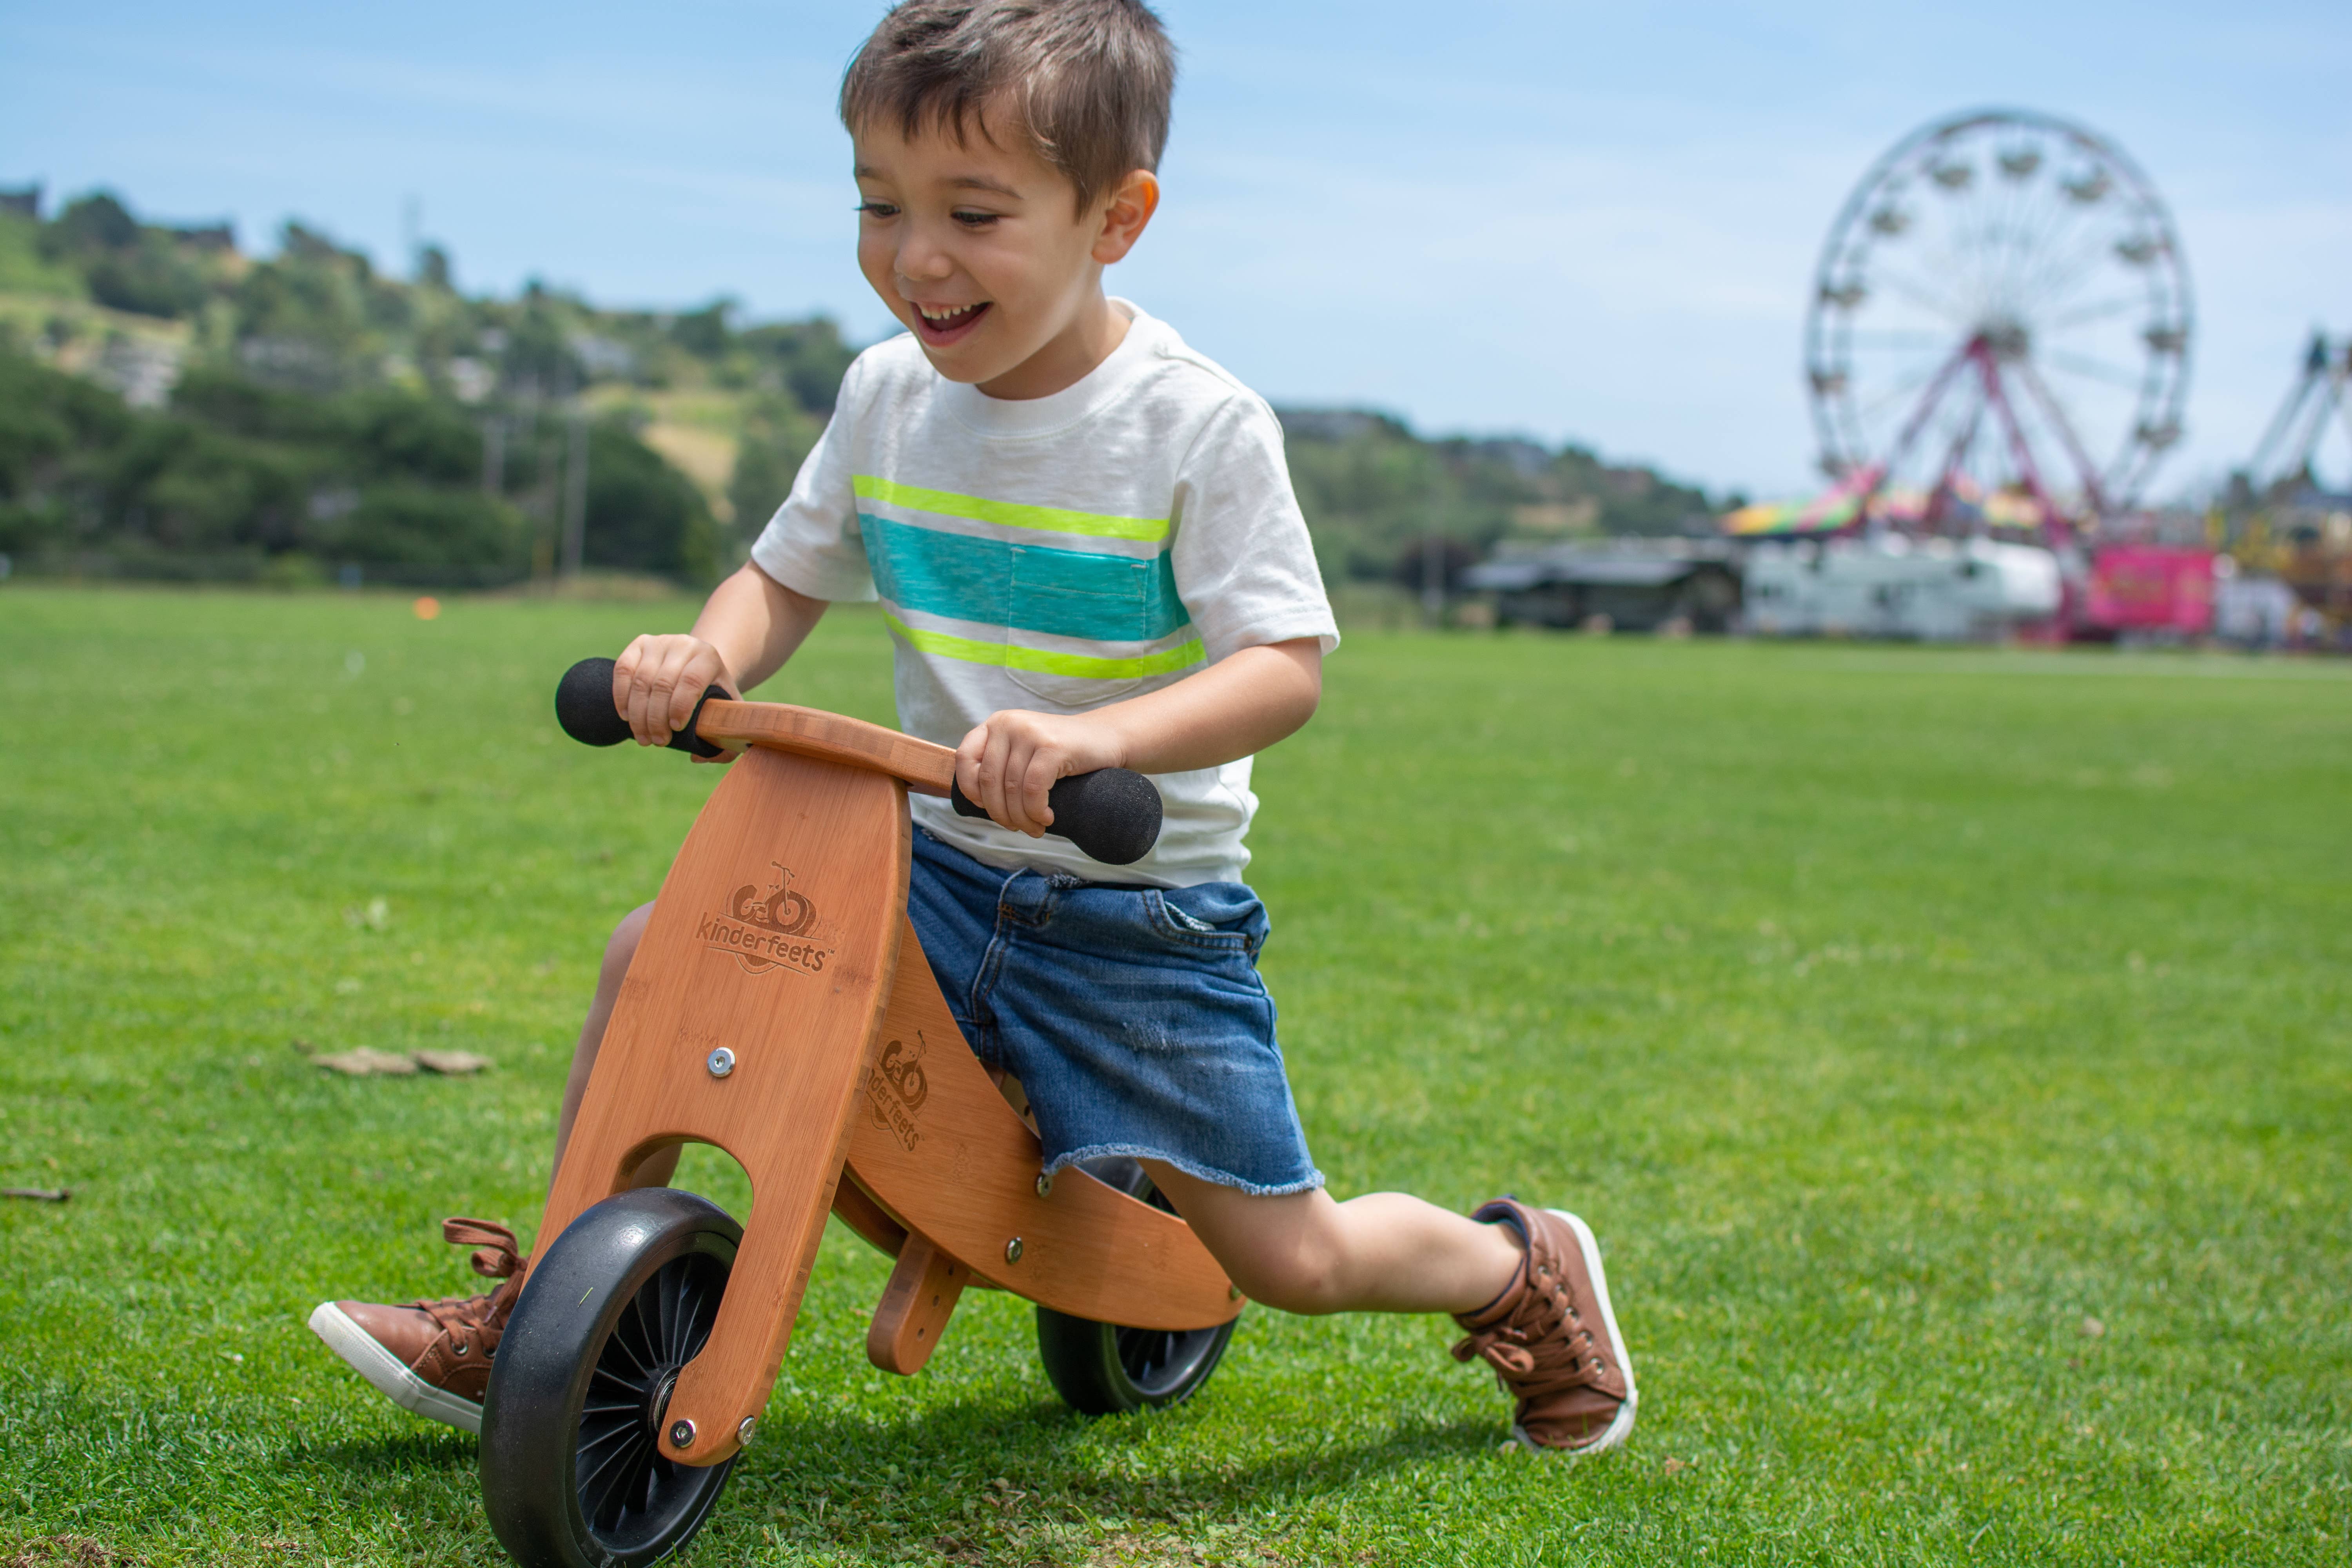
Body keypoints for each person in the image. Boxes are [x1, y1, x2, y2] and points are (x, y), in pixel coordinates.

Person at [308, 0, 1635, 1456]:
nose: (917, 256)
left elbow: (1282, 667)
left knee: (1290, 1260)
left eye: (975, 213)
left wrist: (1102, 741)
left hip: (1137, 914)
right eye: (880, 205)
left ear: (1115, 218)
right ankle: (538, 1308)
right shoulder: (884, 398)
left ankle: (1517, 1266)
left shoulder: (1196, 426)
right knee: (655, 954)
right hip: (925, 871)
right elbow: (780, 577)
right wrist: (703, 652)